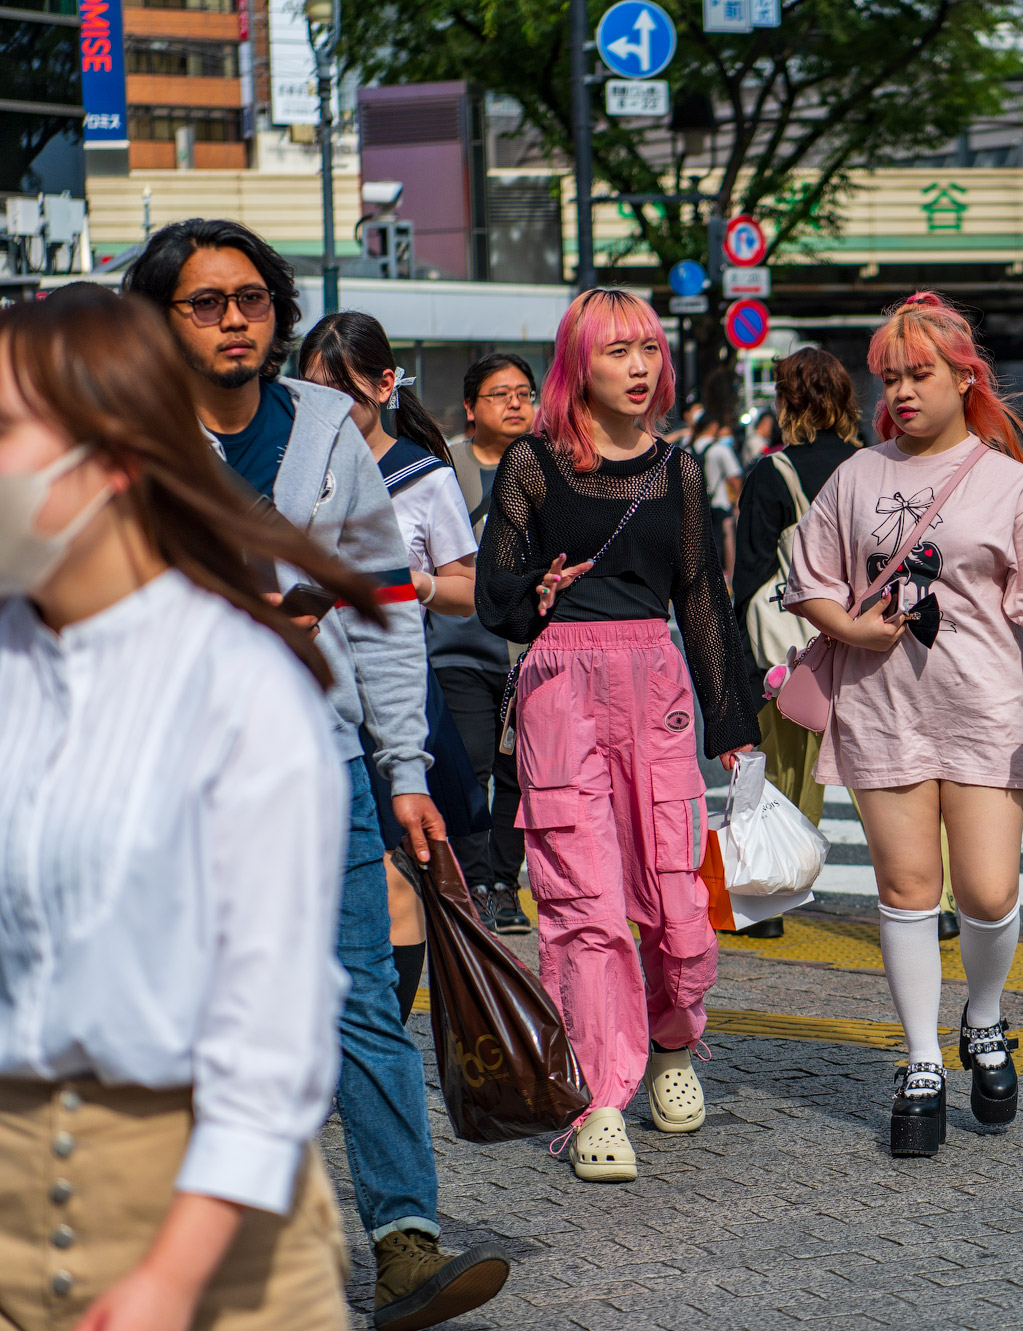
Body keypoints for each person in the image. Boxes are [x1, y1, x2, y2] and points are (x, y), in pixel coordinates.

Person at [124, 219, 509, 1329]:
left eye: (251, 297)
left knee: (360, 1006)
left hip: (320, 757)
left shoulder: (329, 433)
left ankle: (403, 1243)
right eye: (206, 301)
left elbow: (388, 613)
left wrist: (404, 767)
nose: (235, 317)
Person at [0, 285, 360, 1330]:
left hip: (213, 1243)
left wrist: (168, 1277)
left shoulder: (242, 685)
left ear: (109, 460)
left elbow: (274, 1022)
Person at [785, 292, 1023, 1158]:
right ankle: (920, 1060)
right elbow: (807, 578)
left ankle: (984, 1017)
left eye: (921, 374)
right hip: (883, 710)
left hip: (985, 709)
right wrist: (848, 628)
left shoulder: (1006, 481)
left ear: (966, 376)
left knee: (988, 892)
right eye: (892, 377)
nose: (905, 392)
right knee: (908, 891)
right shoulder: (856, 475)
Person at [476, 288, 763, 1183]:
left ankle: (673, 1042)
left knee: (677, 900)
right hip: (563, 685)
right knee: (585, 906)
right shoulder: (532, 462)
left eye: (647, 348)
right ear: (578, 367)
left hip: (658, 688)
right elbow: (495, 593)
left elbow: (702, 599)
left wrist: (733, 723)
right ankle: (599, 1097)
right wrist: (537, 594)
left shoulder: (676, 471)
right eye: (616, 352)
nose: (639, 367)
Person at [300, 311, 491, 1024]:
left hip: (386, 694)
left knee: (382, 868)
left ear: (385, 386)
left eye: (341, 393)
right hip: (303, 690)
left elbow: (469, 593)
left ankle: (381, 1027)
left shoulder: (421, 477)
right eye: (311, 392)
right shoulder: (292, 468)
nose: (327, 411)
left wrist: (409, 584)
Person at [733, 347, 862, 830]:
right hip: (868, 650)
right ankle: (938, 901)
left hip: (792, 660)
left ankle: (774, 895)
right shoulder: (874, 467)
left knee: (788, 788)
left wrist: (742, 675)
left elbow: (750, 577)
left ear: (786, 404)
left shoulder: (773, 475)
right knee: (889, 788)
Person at [433, 353, 538, 936]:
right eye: (500, 394)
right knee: (471, 767)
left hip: (530, 654)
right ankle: (473, 881)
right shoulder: (444, 465)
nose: (516, 403)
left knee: (521, 772)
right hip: (460, 648)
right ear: (472, 408)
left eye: (524, 392)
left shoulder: (554, 467)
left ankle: (504, 883)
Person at [692, 411, 742, 581]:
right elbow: (734, 477)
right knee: (725, 542)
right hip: (719, 503)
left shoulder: (687, 449)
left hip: (696, 506)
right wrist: (737, 501)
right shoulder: (720, 449)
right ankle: (728, 580)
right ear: (714, 427)